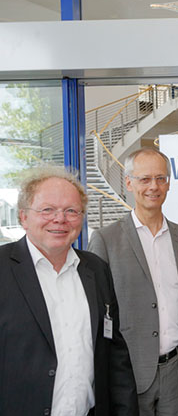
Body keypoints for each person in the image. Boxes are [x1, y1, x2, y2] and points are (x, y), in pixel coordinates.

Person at [0, 166, 138, 415]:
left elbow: (115, 354)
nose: (60, 219)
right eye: (47, 210)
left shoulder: (95, 269)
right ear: (23, 217)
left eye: (71, 211)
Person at [88, 148, 178, 416]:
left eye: (161, 178)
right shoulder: (105, 240)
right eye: (144, 179)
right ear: (128, 183)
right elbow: (98, 315)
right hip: (128, 370)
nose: (154, 186)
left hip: (177, 371)